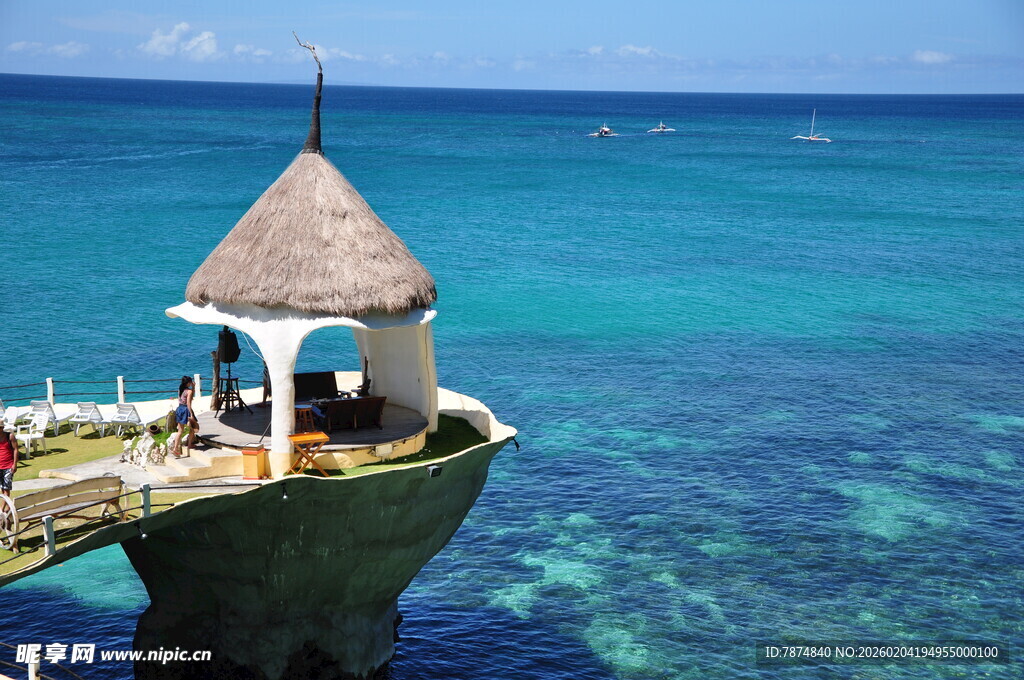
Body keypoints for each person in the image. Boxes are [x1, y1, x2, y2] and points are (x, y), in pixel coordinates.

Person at [172, 375, 199, 458]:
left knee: (180, 431)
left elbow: (187, 398)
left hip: (179, 409)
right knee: (193, 427)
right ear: (188, 383)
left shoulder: (180, 389)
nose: (191, 383)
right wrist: (191, 414)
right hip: (186, 410)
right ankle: (190, 444)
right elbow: (188, 403)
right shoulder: (189, 391)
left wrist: (193, 388)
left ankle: (175, 448)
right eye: (191, 382)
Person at [0, 419, 18, 499]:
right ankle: (6, 507)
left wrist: (15, 464)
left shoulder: (9, 436)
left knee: (6, 488)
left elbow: (15, 449)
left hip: (8, 466)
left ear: (2, 427)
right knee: (2, 487)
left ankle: (2, 509)